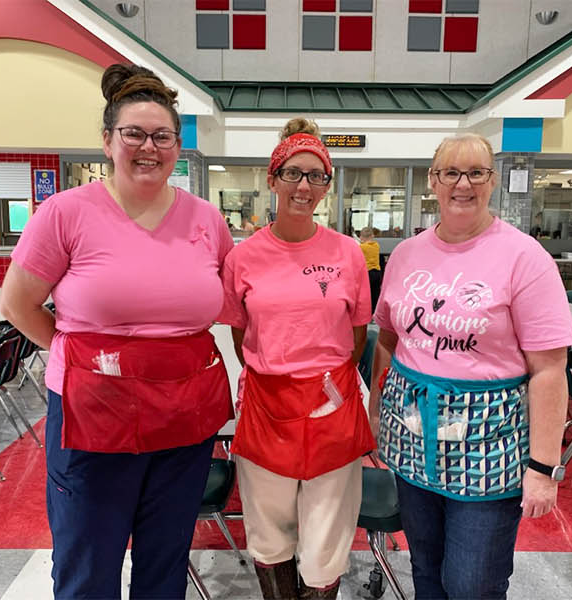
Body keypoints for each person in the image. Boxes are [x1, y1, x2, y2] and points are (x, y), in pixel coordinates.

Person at [0, 63, 234, 599]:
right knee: (88, 562)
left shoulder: (205, 219)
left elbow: (225, 298)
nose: (147, 147)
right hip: (93, 413)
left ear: (178, 145)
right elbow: (19, 304)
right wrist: (82, 354)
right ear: (107, 140)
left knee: (165, 558)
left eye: (162, 136)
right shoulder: (66, 212)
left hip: (185, 412)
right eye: (133, 133)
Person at [368, 133, 572, 600]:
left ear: (493, 181)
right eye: (451, 173)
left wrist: (543, 469)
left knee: (471, 583)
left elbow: (549, 369)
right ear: (433, 182)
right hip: (411, 440)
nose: (463, 184)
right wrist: (376, 409)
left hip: (490, 446)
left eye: (476, 172)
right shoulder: (405, 255)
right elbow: (388, 338)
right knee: (425, 569)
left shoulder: (526, 258)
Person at [220, 117, 373, 600]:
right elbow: (242, 331)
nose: (304, 186)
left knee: (327, 537)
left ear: (327, 184)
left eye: (316, 175)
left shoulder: (348, 254)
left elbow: (358, 335)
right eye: (292, 173)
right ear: (273, 179)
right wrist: (279, 368)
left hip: (333, 405)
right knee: (268, 533)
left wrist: (321, 377)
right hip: (266, 405)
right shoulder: (243, 258)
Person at [358, 226, 382, 309]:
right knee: (375, 293)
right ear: (372, 236)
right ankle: (375, 311)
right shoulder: (376, 245)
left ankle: (367, 310)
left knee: (367, 293)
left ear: (361, 237)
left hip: (368, 273)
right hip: (377, 272)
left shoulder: (361, 247)